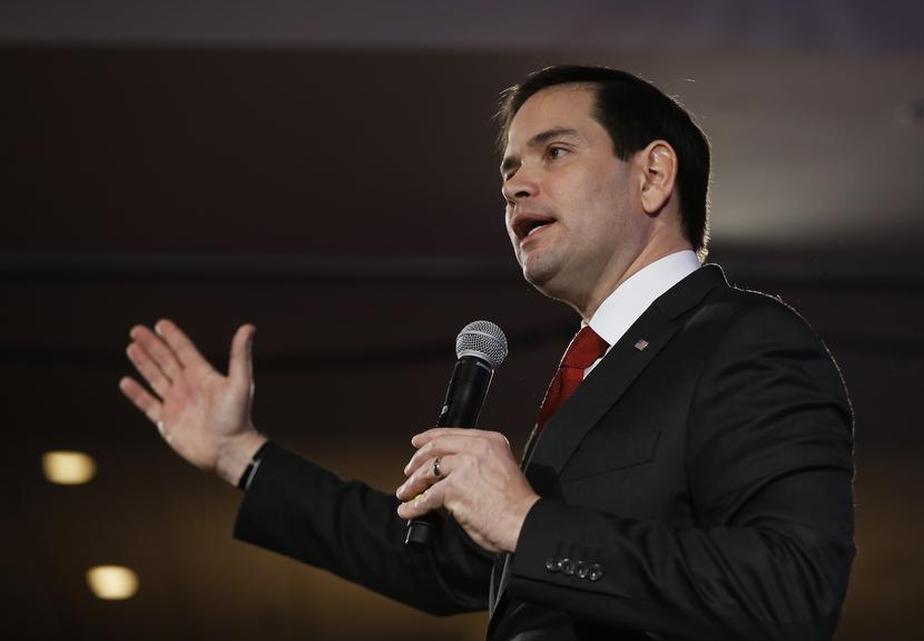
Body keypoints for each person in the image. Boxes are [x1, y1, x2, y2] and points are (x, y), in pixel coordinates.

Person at [119, 65, 854, 641]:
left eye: (554, 152)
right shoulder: (600, 369)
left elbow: (791, 588)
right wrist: (241, 454)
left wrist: (528, 522)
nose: (515, 186)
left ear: (653, 175)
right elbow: (442, 564)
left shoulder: (743, 340)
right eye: (507, 171)